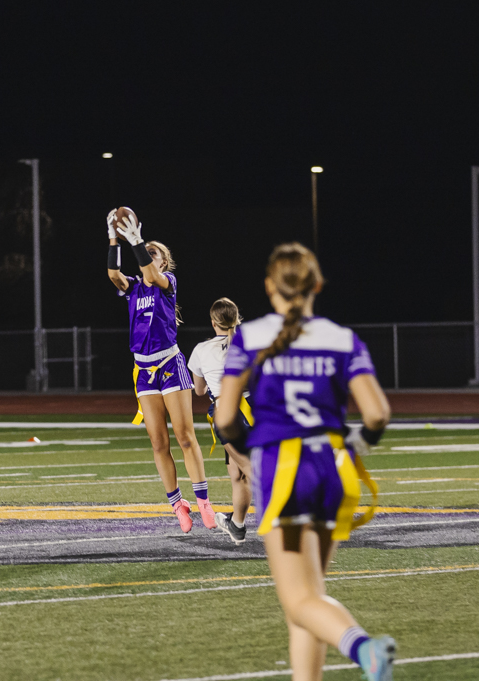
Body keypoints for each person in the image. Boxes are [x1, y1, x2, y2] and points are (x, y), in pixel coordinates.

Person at [215, 243, 395, 681]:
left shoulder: (252, 336)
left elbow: (224, 416)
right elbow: (377, 414)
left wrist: (252, 452)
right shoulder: (341, 337)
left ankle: (364, 648)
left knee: (298, 600)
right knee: (310, 598)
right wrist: (352, 445)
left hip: (284, 469)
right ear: (316, 285)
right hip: (332, 469)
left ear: (268, 287)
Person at [107, 209, 216, 533]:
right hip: (143, 369)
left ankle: (203, 501)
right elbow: (114, 274)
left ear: (163, 262)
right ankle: (177, 503)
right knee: (158, 443)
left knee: (184, 435)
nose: (145, 257)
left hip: (169, 363)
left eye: (153, 254)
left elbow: (152, 274)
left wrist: (138, 240)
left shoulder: (166, 283)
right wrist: (114, 238)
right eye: (144, 252)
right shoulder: (134, 288)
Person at [188, 297, 254, 545]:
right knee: (237, 473)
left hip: (228, 411)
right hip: (255, 408)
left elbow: (199, 391)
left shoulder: (202, 350)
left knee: (250, 470)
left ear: (214, 321)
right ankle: (236, 525)